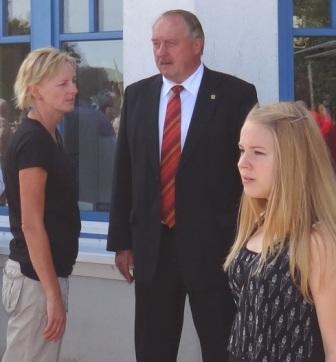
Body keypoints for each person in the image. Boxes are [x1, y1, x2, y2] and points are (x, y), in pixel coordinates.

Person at [107, 9, 258, 362]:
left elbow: (251, 177)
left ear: (197, 45)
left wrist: (251, 243)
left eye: (170, 43)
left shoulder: (235, 94)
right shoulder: (138, 95)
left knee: (224, 348)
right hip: (152, 250)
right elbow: (124, 174)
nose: (161, 52)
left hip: (216, 251)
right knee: (153, 350)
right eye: (156, 44)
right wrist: (121, 242)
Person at [224, 102, 336, 361]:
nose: (243, 163)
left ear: (291, 160)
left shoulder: (316, 241)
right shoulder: (255, 223)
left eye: (258, 153)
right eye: (242, 150)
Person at [1, 47, 81, 362]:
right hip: (35, 283)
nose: (74, 89)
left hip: (42, 279)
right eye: (63, 84)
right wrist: (51, 294)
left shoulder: (49, 136)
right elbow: (31, 223)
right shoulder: (33, 140)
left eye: (73, 81)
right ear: (35, 90)